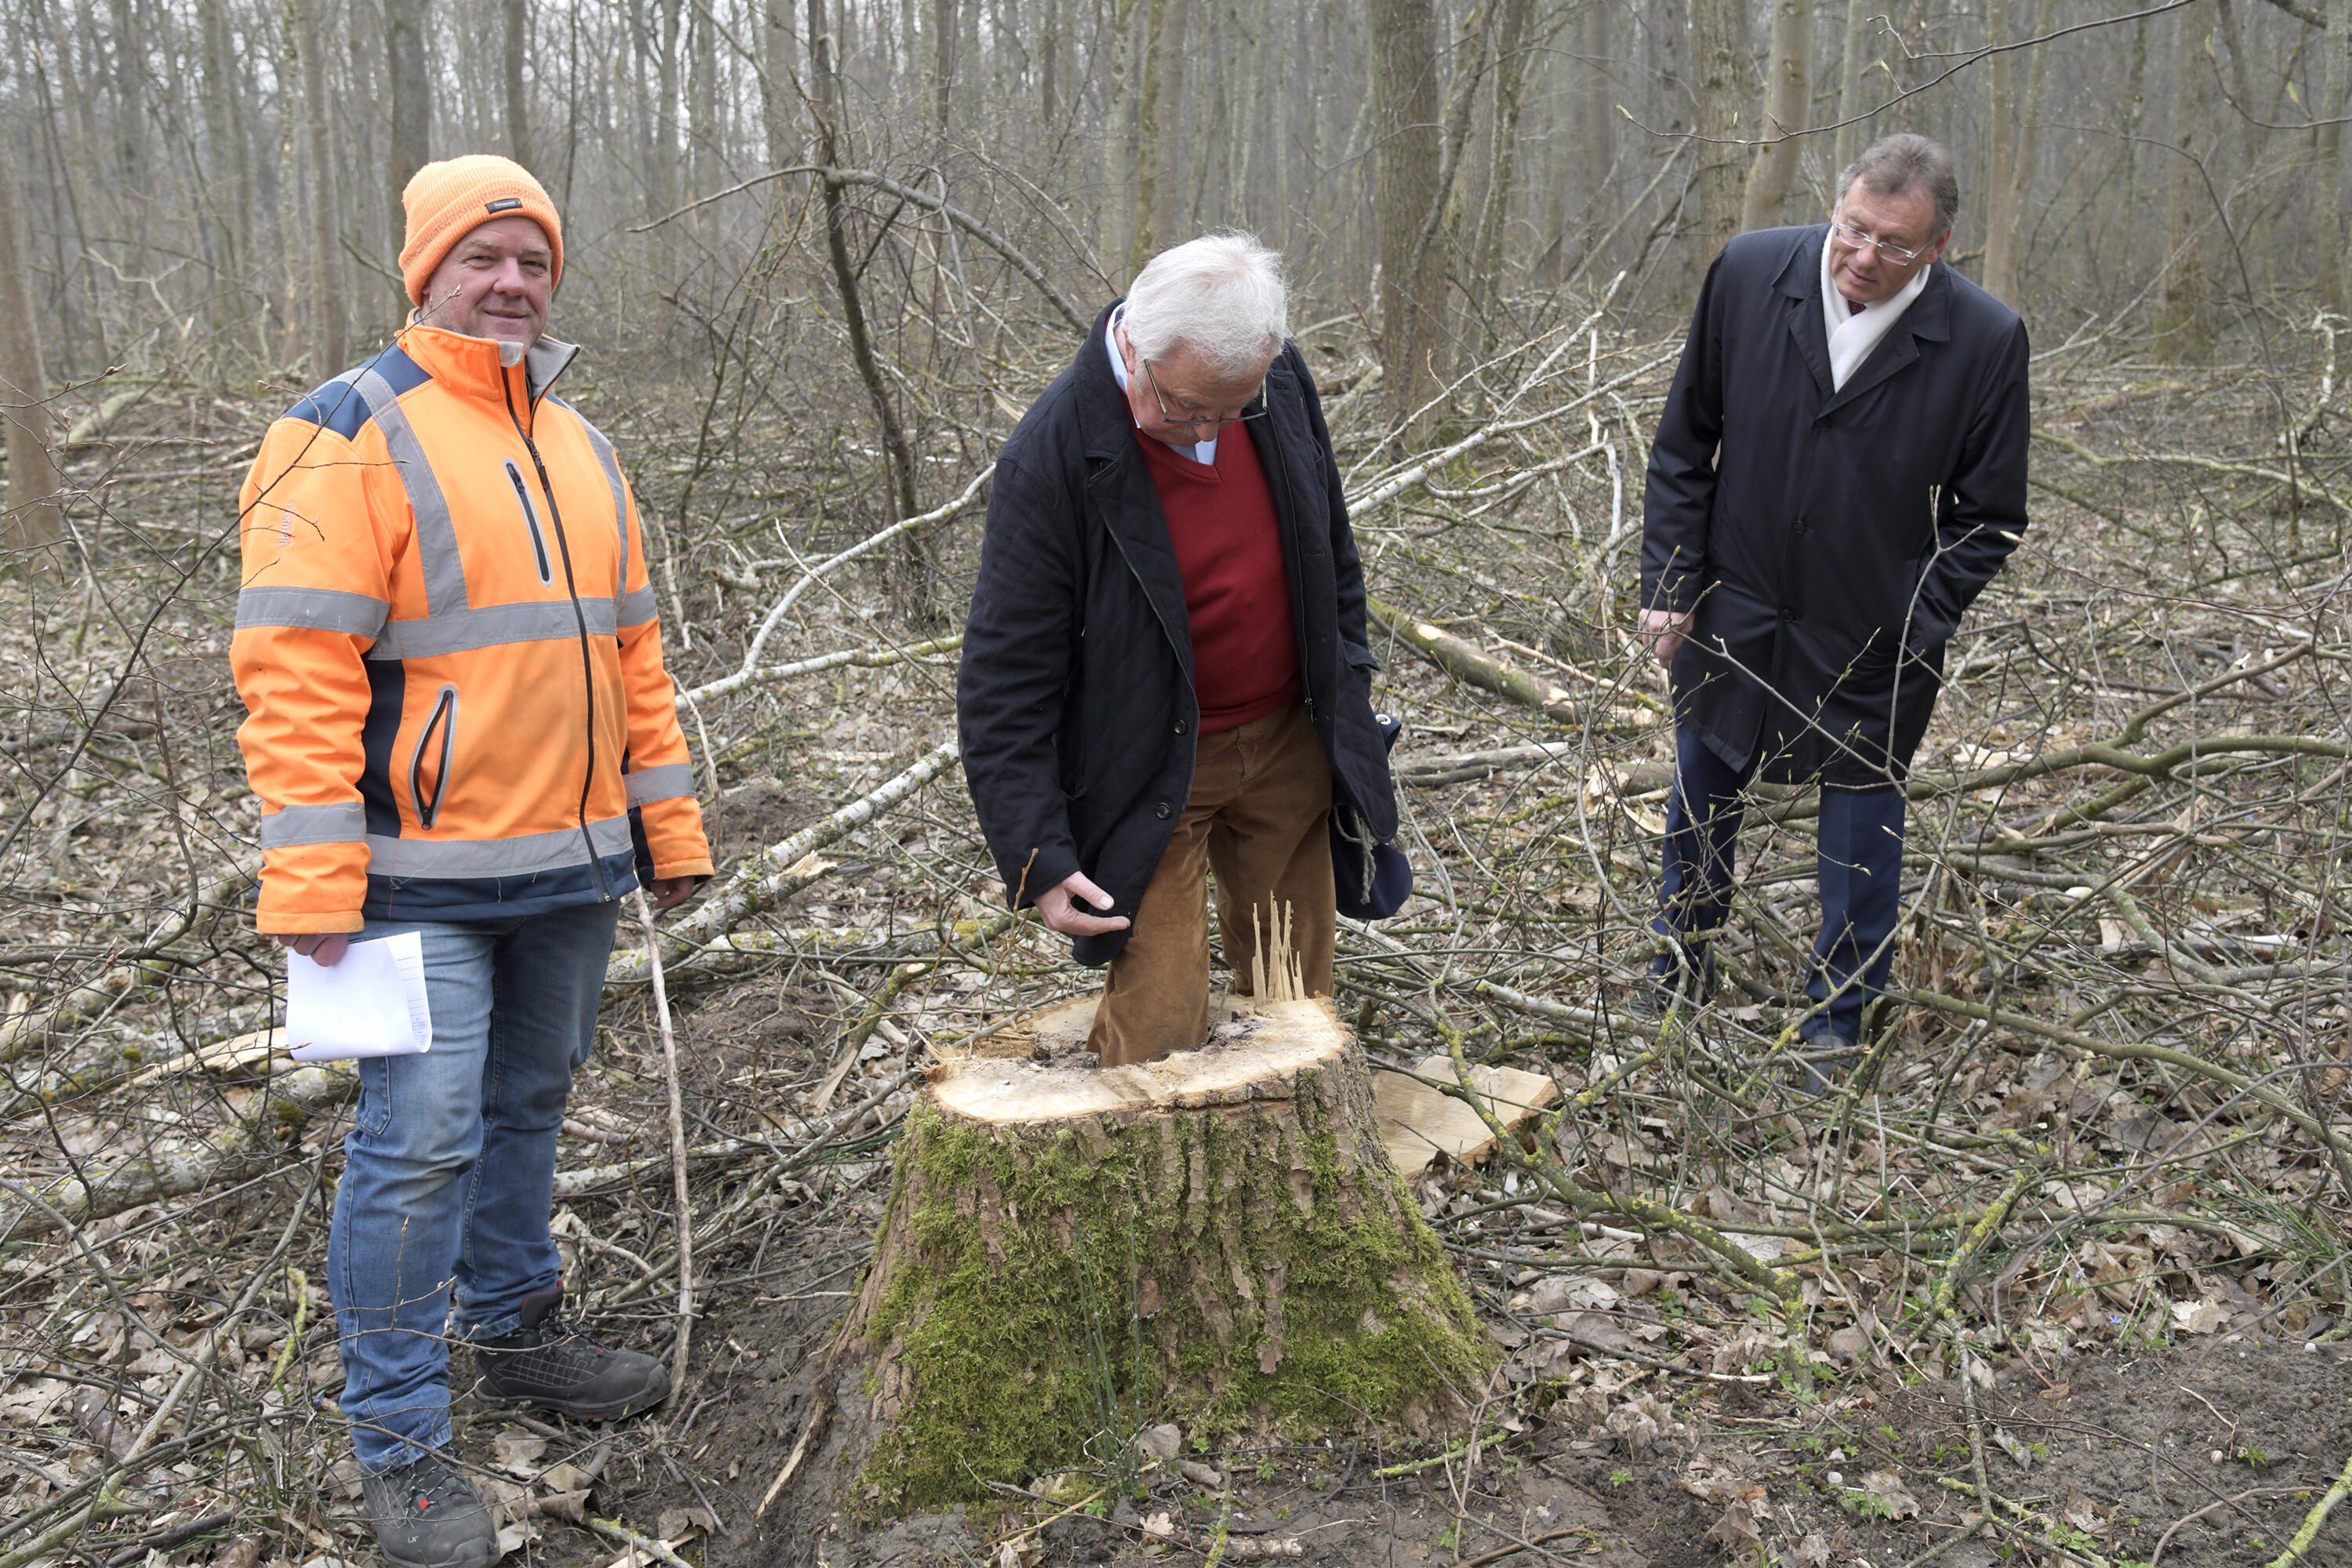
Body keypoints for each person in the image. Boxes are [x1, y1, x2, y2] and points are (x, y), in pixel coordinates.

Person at [231, 155, 713, 1568]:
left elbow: (635, 659)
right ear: (424, 270)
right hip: (406, 884)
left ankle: (515, 1333)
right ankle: (398, 1440)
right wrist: (312, 883)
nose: (511, 282)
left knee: (528, 1108)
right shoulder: (343, 436)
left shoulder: (583, 445)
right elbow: (295, 674)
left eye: (532, 260)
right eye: (482, 259)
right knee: (415, 1146)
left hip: (568, 872)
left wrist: (665, 831)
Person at [1637, 133, 2029, 1079]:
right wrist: (1670, 585)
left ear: (1939, 248)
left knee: (1861, 825)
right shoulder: (1750, 271)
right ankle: (1678, 965)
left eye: (1895, 244)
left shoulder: (1983, 338)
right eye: (1853, 229)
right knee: (1702, 786)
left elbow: (1991, 519)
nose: (1863, 256)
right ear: (1837, 205)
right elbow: (1686, 444)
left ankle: (1838, 1016)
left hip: (1872, 629)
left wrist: (1913, 622)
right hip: (1735, 600)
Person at [957, 233, 1399, 1065]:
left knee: (1294, 1009)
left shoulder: (1278, 383)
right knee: (1157, 1035)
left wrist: (1349, 674)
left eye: (1230, 409)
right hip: (1148, 766)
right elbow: (1004, 678)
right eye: (1188, 404)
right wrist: (1037, 852)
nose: (1208, 427)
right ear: (1134, 343)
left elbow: (1329, 544)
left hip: (1285, 742)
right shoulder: (1052, 455)